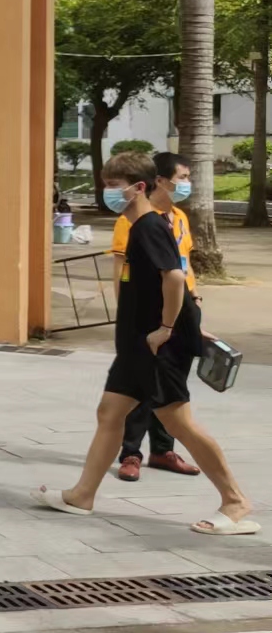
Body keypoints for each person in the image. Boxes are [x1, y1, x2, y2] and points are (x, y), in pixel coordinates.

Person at [34, 150, 258, 535]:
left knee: (178, 422)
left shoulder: (150, 226)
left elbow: (175, 277)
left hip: (158, 346)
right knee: (110, 413)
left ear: (139, 187)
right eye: (105, 184)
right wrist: (186, 323)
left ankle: (235, 501)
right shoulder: (139, 226)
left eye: (114, 185)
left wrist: (169, 328)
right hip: (138, 345)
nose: (108, 192)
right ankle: (82, 496)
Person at [111, 151, 202, 481]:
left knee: (172, 390)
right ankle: (131, 452)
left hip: (180, 310)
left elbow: (183, 265)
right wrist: (128, 316)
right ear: (159, 181)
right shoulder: (134, 220)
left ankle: (163, 450)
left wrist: (193, 300)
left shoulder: (179, 218)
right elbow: (122, 271)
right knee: (139, 387)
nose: (187, 184)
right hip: (149, 315)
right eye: (182, 178)